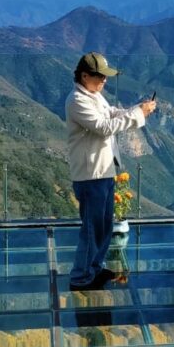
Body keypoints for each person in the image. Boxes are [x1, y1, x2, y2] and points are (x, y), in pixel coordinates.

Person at [65, 52, 156, 289]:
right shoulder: (77, 100)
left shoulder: (94, 95)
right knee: (92, 228)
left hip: (104, 172)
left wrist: (137, 109)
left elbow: (112, 113)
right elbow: (104, 127)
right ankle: (81, 277)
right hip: (90, 175)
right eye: (100, 77)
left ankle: (95, 268)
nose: (104, 81)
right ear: (84, 76)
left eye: (106, 77)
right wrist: (138, 115)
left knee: (104, 226)